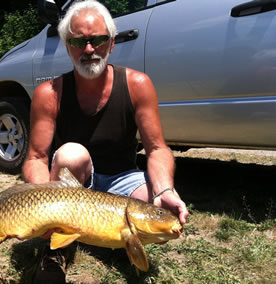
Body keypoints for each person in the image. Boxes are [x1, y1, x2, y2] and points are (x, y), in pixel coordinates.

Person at [23, 0, 189, 282]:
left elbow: (157, 148)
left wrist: (164, 190)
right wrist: (44, 207)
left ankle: (111, 238)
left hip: (120, 180)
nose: (89, 49)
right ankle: (56, 249)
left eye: (98, 40)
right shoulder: (48, 93)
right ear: (67, 45)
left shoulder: (138, 84)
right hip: (72, 186)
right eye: (79, 41)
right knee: (71, 154)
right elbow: (36, 158)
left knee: (158, 211)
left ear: (112, 44)